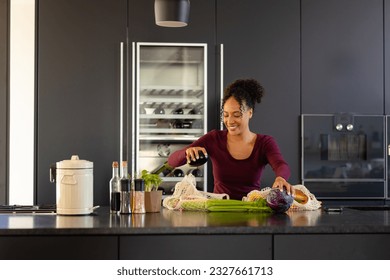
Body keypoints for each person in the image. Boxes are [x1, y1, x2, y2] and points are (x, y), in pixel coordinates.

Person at [167, 78, 294, 200]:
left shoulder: (264, 143)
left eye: (237, 115)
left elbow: (281, 165)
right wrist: (186, 152)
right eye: (226, 115)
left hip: (252, 210)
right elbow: (172, 161)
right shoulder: (214, 138)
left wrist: (280, 178)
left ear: (250, 112)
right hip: (219, 211)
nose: (230, 121)